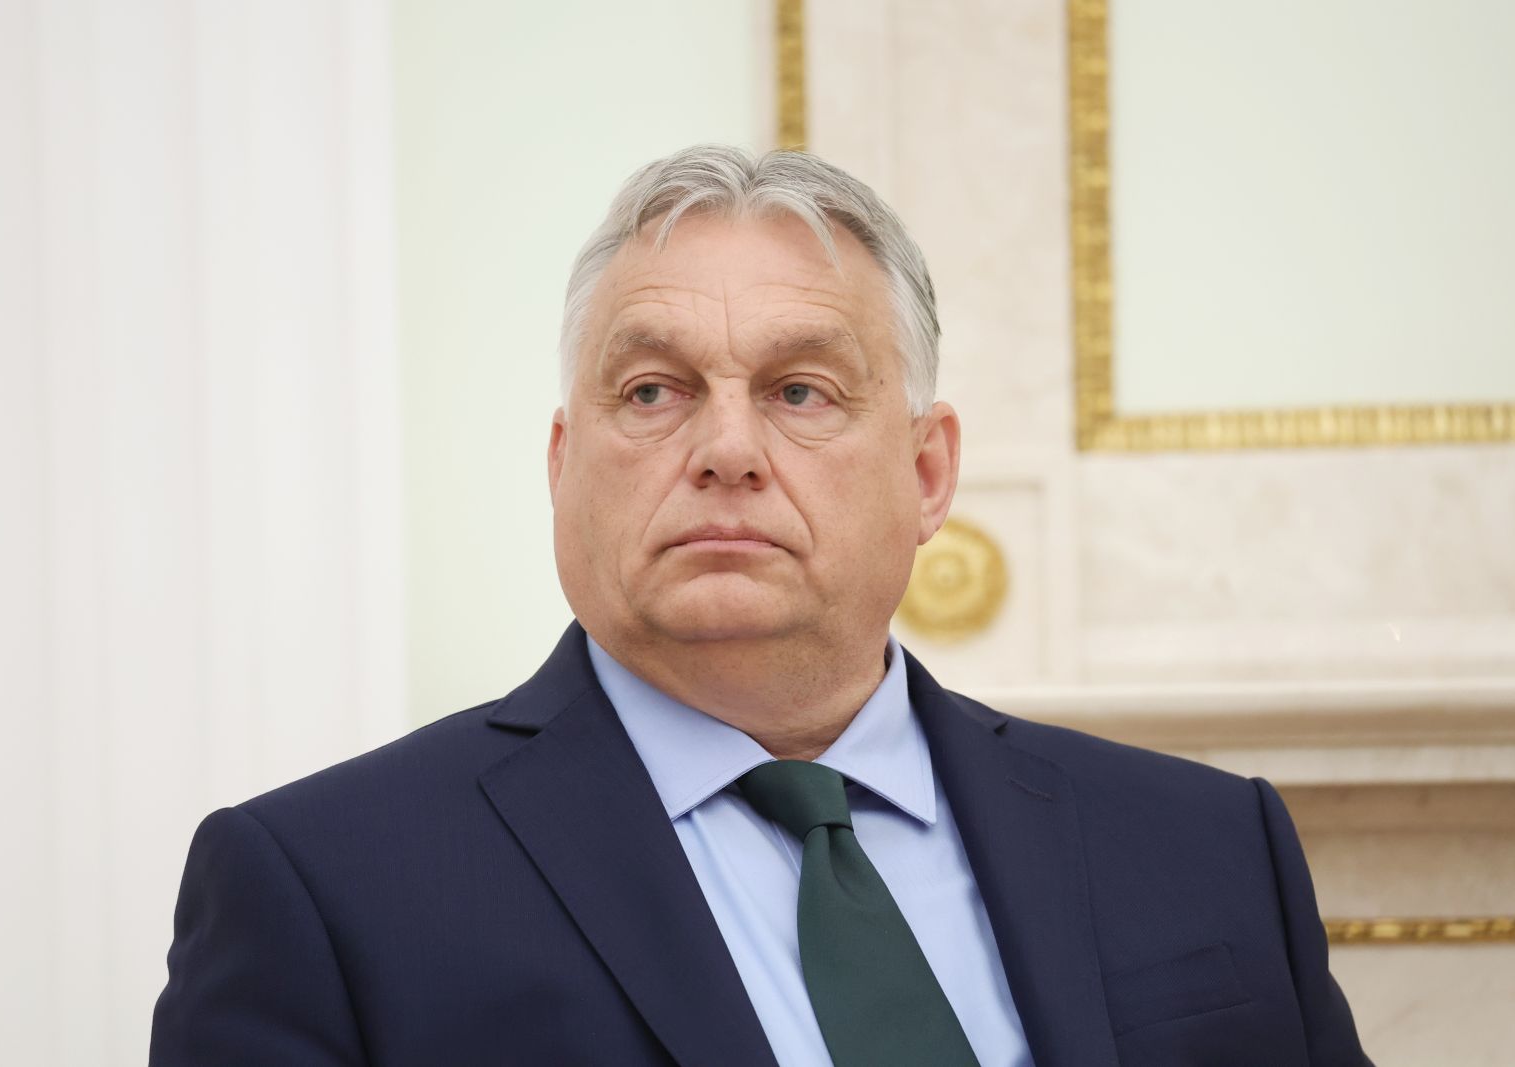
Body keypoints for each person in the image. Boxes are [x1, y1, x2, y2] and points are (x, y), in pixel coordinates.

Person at [150, 145, 1370, 1067]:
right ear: (562, 463)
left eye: (798, 390)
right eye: (651, 389)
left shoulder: (1212, 848)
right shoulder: (324, 889)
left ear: (927, 470)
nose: (725, 447)